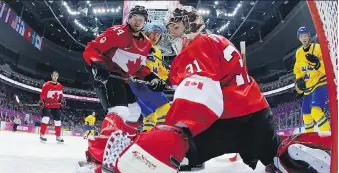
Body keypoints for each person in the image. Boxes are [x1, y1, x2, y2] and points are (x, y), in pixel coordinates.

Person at [100, 6, 280, 173]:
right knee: (278, 160)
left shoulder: (196, 47)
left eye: (176, 27)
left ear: (189, 25)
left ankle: (137, 154)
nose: (171, 33)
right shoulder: (218, 39)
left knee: (178, 145)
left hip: (229, 118)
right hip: (259, 112)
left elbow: (199, 95)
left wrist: (174, 130)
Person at [80, 5, 167, 172]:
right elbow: (92, 48)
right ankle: (99, 153)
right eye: (135, 17)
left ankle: (121, 149)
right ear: (129, 18)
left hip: (122, 79)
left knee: (134, 112)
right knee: (120, 110)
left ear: (145, 23)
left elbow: (140, 68)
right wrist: (98, 63)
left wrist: (152, 78)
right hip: (106, 76)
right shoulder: (117, 32)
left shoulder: (146, 43)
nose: (137, 21)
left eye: (141, 20)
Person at [128, 24, 171, 131]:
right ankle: (161, 138)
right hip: (141, 83)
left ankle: (147, 139)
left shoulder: (157, 52)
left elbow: (160, 70)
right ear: (146, 32)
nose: (155, 36)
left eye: (158, 35)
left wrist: (170, 75)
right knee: (165, 108)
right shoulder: (138, 43)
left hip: (147, 85)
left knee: (150, 116)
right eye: (153, 33)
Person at [294, 27, 329, 132]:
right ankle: (311, 139)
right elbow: (297, 70)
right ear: (299, 38)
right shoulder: (298, 53)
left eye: (305, 35)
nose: (304, 38)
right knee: (306, 116)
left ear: (309, 36)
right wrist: (299, 81)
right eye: (301, 36)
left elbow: (327, 68)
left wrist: (317, 64)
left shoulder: (317, 48)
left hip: (319, 83)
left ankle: (327, 134)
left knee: (316, 111)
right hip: (308, 88)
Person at [39, 71, 66, 144]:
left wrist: (62, 100)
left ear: (58, 77)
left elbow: (60, 96)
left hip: (56, 105)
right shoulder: (46, 84)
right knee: (46, 118)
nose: (55, 77)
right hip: (47, 104)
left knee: (58, 121)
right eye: (54, 75)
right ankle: (42, 134)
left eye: (56, 76)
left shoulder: (60, 86)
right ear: (51, 76)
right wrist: (42, 101)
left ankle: (58, 136)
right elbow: (43, 95)